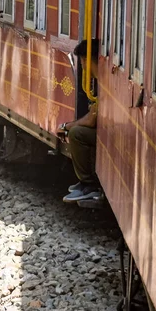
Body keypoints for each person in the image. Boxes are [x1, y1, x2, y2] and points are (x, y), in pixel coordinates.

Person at [58, 39, 103, 203]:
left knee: (77, 133)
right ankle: (85, 183)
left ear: (87, 59)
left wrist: (66, 126)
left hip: (111, 135)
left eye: (83, 61)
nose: (82, 66)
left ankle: (89, 185)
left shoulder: (103, 81)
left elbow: (91, 120)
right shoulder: (99, 81)